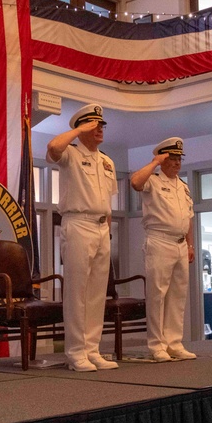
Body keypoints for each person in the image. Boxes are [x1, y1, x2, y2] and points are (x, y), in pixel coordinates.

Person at [47, 103, 118, 372]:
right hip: (77, 224)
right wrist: (77, 130)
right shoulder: (72, 154)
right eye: (94, 125)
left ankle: (92, 349)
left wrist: (107, 230)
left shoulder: (108, 161)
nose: (99, 129)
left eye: (101, 125)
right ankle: (76, 352)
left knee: (97, 293)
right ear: (82, 127)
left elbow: (108, 202)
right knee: (77, 292)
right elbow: (53, 148)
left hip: (101, 228)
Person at [130, 137, 196, 362]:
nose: (177, 163)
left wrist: (190, 244)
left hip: (179, 244)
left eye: (179, 158)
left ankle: (174, 343)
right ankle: (156, 345)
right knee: (157, 295)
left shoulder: (184, 187)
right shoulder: (153, 181)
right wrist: (154, 163)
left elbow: (188, 217)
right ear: (162, 160)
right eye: (172, 159)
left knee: (178, 295)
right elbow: (135, 183)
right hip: (159, 241)